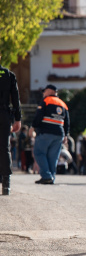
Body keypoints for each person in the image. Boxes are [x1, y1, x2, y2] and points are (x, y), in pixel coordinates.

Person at [32, 84, 70, 185]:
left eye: (44, 91)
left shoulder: (46, 101)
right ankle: (51, 177)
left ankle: (46, 176)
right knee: (53, 157)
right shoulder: (63, 104)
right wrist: (66, 135)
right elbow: (67, 122)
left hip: (45, 132)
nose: (43, 93)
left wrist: (33, 127)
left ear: (49, 91)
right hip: (59, 134)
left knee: (39, 153)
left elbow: (38, 116)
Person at [0, 59, 22, 195]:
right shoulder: (9, 75)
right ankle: (6, 184)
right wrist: (18, 119)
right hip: (4, 115)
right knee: (4, 148)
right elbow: (15, 99)